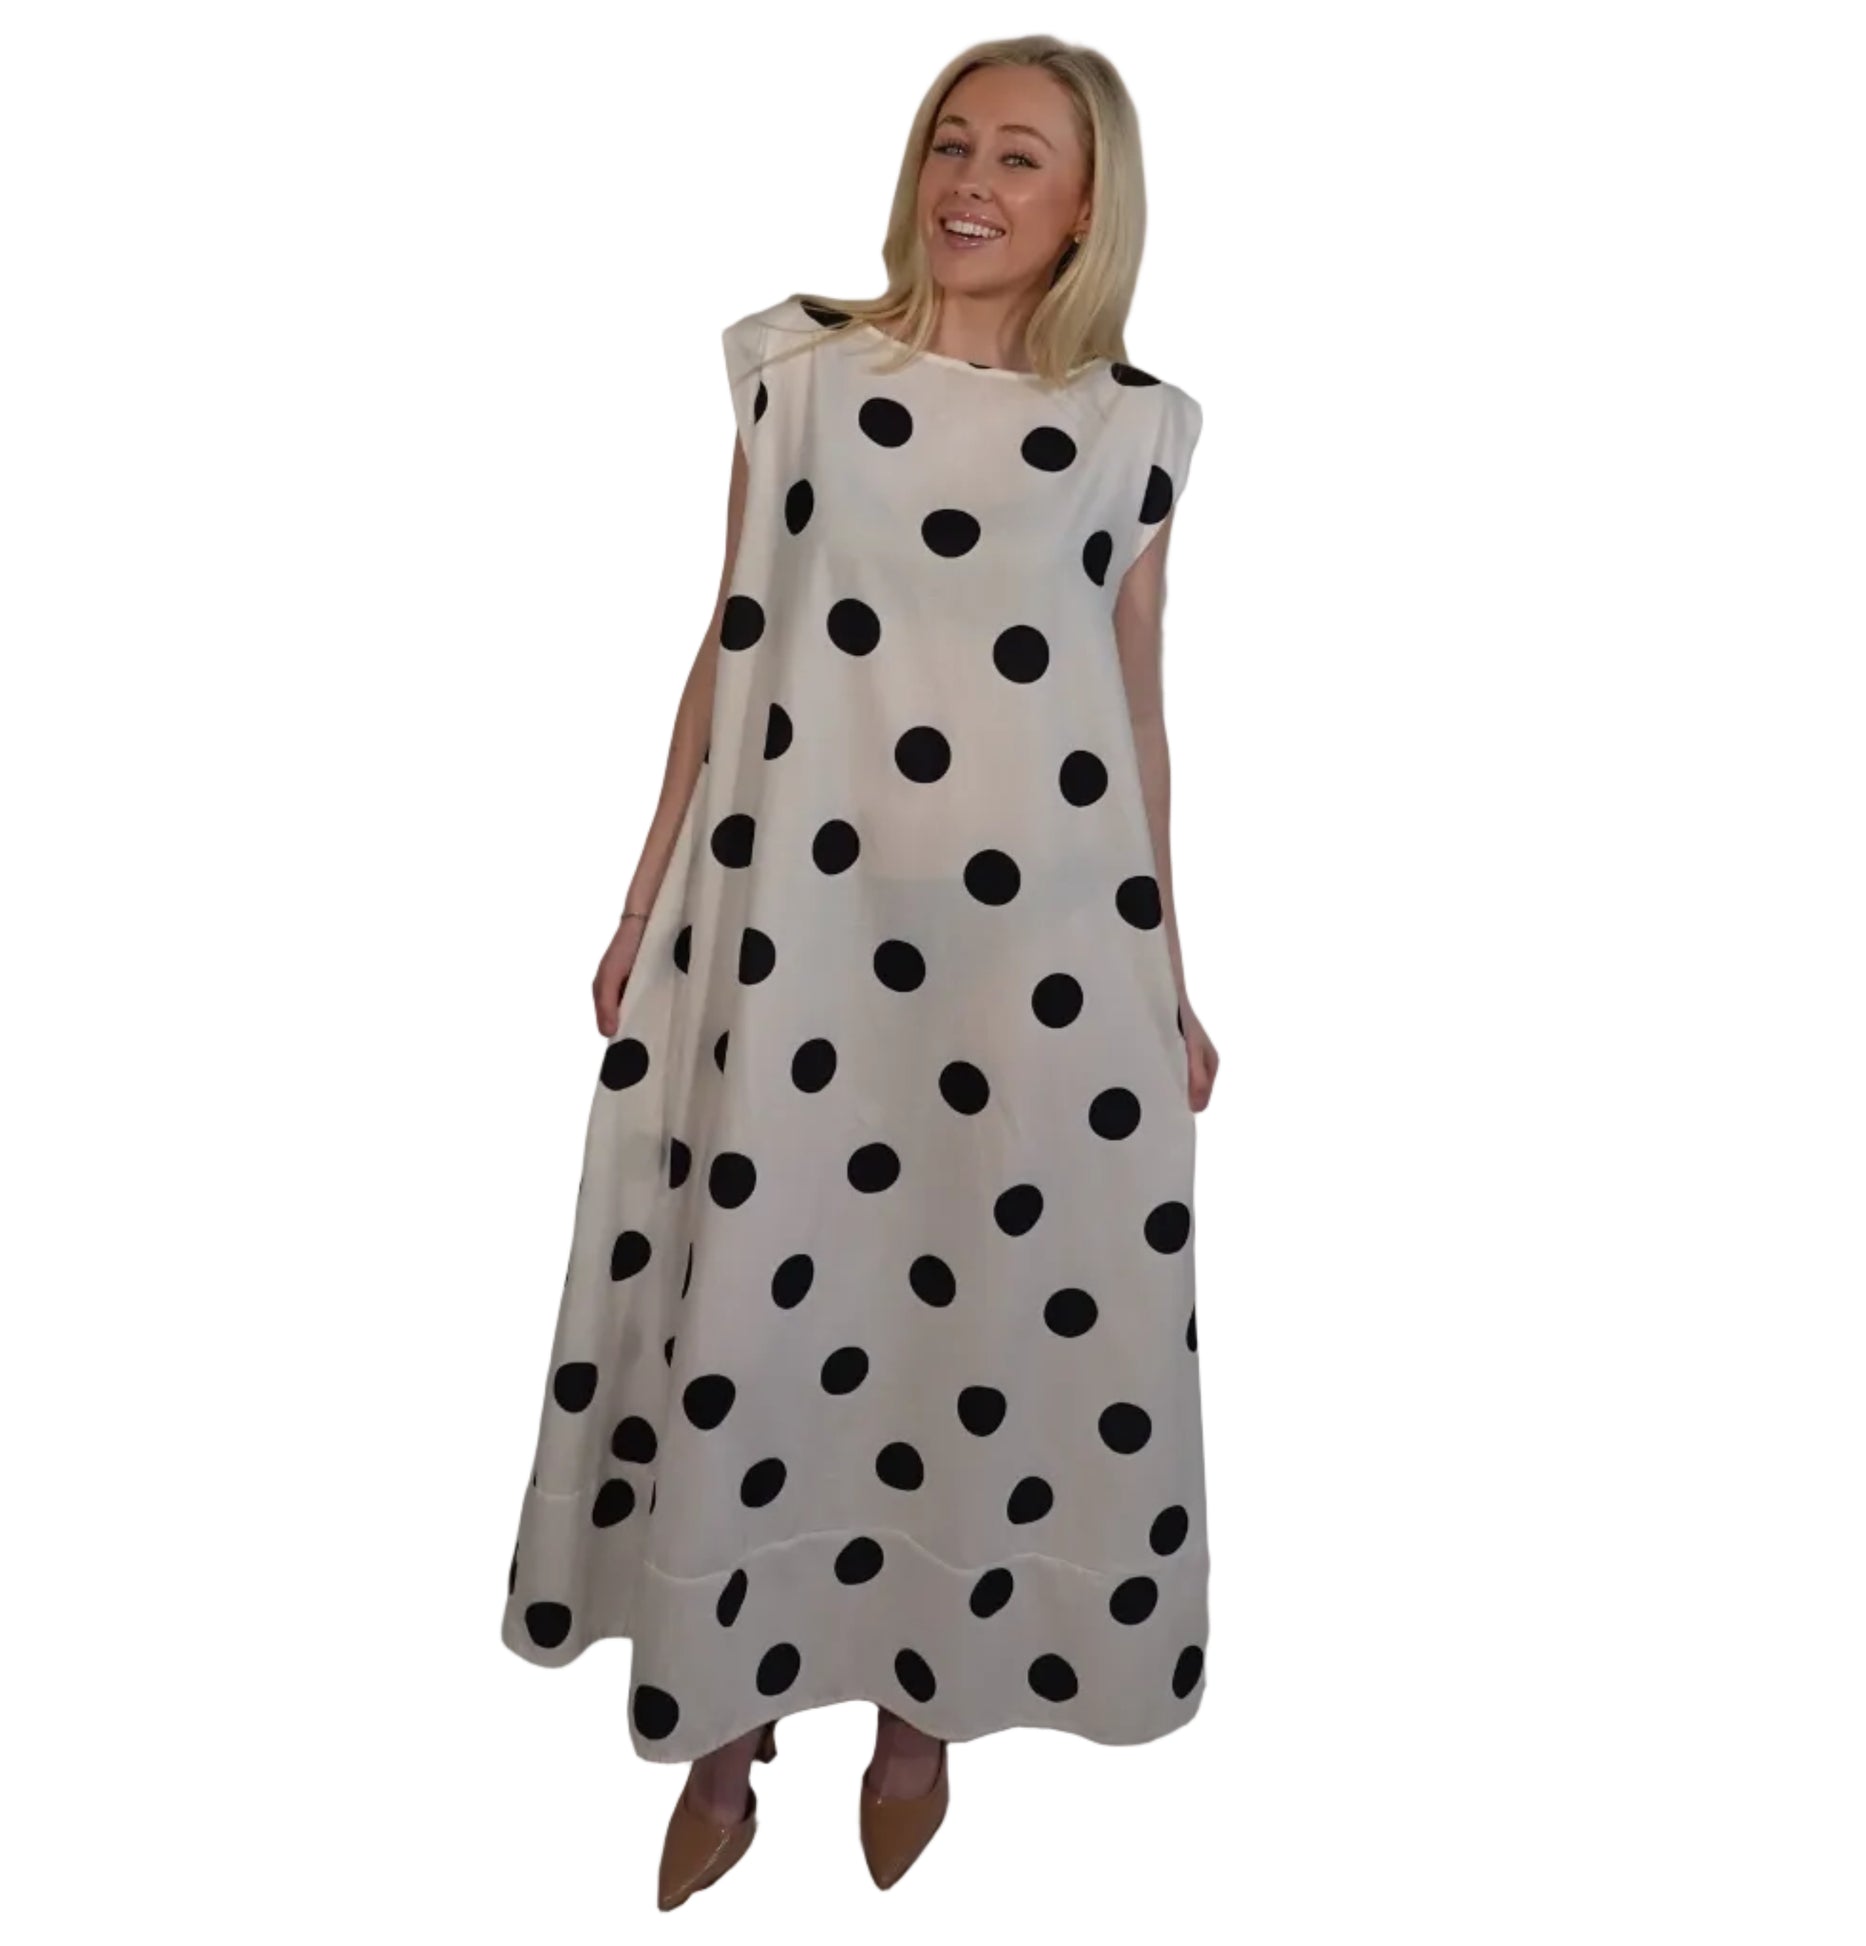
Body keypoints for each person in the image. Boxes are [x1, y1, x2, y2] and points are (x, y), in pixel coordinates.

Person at [500, 32, 1220, 1909]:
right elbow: (727, 644)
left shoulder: (1135, 429)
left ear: (1089, 202)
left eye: (1020, 156)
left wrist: (1171, 972)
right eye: (949, 144)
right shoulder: (799, 375)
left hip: (1033, 968)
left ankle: (922, 1711)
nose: (970, 182)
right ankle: (722, 1723)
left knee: (977, 1318)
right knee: (758, 1301)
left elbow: (1134, 711)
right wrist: (641, 899)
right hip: (792, 946)